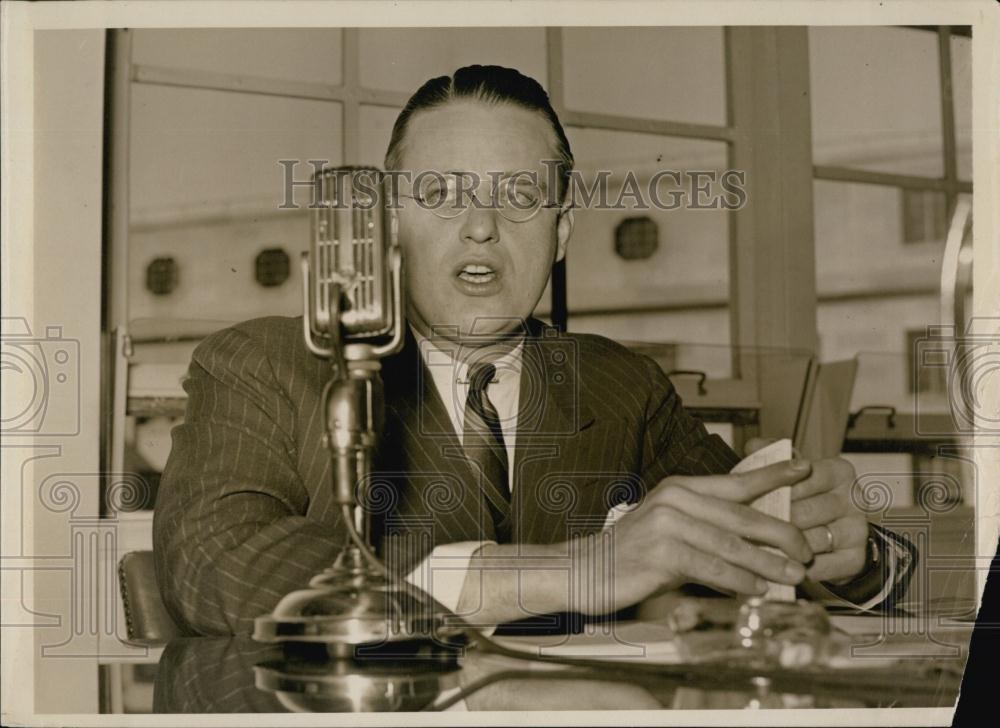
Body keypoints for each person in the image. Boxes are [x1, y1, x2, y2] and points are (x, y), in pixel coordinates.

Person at [154, 65, 916, 636]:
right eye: (441, 195)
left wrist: (845, 552)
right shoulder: (269, 364)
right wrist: (572, 571)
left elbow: (756, 535)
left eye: (519, 197)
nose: (482, 226)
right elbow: (217, 562)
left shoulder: (622, 387)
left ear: (560, 232)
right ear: (388, 223)